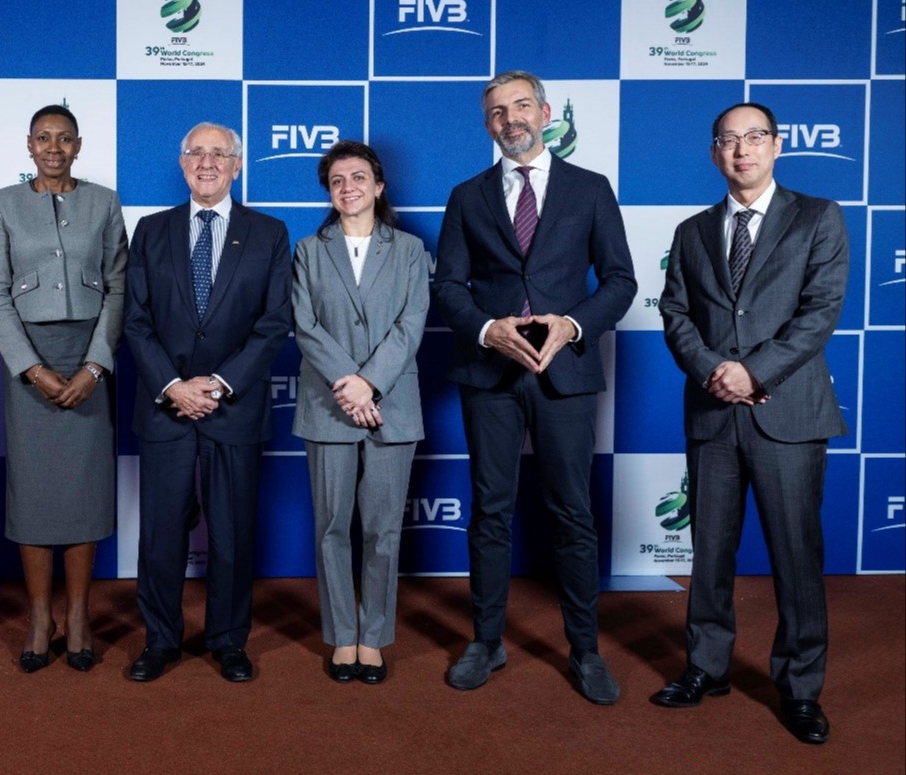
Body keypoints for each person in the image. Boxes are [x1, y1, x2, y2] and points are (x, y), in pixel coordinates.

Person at [433, 70, 636, 704]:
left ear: (546, 113)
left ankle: (585, 650)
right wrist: (486, 329)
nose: (511, 119)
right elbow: (448, 287)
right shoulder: (466, 196)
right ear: (486, 124)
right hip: (489, 374)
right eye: (498, 111)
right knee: (490, 510)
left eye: (522, 105)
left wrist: (573, 326)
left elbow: (621, 281)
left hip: (564, 373)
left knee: (573, 512)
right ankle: (486, 641)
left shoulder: (590, 188)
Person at [653, 103, 848, 745]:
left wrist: (753, 372)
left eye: (755, 137)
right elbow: (676, 313)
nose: (742, 150)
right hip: (713, 414)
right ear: (715, 153)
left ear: (777, 145)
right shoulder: (692, 230)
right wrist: (715, 370)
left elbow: (820, 311)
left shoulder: (818, 217)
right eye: (729, 140)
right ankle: (706, 668)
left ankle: (800, 687)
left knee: (796, 556)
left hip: (785, 413)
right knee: (709, 552)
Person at [123, 122, 292, 683]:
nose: (207, 162)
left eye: (220, 153)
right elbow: (135, 319)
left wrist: (218, 384)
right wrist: (173, 385)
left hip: (233, 408)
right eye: (196, 152)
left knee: (233, 534)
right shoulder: (150, 230)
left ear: (237, 165)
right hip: (165, 406)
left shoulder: (269, 233)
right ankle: (160, 640)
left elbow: (274, 323)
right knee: (160, 535)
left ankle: (228, 640)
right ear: (182, 162)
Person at [0, 105, 128, 673]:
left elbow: (118, 288)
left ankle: (80, 616)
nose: (53, 147)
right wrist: (31, 368)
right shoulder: (3, 204)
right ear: (28, 144)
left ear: (79, 145)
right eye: (43, 138)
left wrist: (96, 365)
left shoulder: (104, 202)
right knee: (35, 493)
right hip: (28, 364)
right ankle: (41, 618)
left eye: (64, 139)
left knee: (84, 490)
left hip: (90, 356)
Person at [291, 141, 428, 684]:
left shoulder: (410, 249)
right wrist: (349, 387)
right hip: (329, 407)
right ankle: (341, 637)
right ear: (329, 192)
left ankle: (373, 639)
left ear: (379, 186)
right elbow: (305, 325)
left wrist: (368, 384)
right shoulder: (308, 250)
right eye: (337, 180)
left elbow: (411, 323)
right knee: (331, 529)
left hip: (392, 406)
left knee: (382, 531)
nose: (348, 187)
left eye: (358, 177)